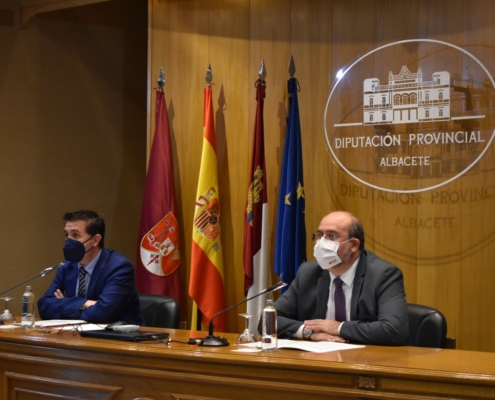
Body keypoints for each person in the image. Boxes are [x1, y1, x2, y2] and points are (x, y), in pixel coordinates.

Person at [273, 210, 409, 345]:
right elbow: (269, 320)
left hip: (366, 360)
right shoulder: (308, 272)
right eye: (320, 235)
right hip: (319, 359)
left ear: (354, 245)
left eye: (332, 236)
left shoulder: (383, 274)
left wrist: (338, 327)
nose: (321, 242)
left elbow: (394, 330)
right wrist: (309, 333)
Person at [38, 210, 143, 325]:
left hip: (118, 339)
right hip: (76, 336)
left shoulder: (118, 267)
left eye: (75, 235)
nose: (68, 241)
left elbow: (103, 313)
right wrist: (85, 303)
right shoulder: (67, 266)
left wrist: (64, 303)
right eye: (66, 235)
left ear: (95, 240)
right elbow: (44, 306)